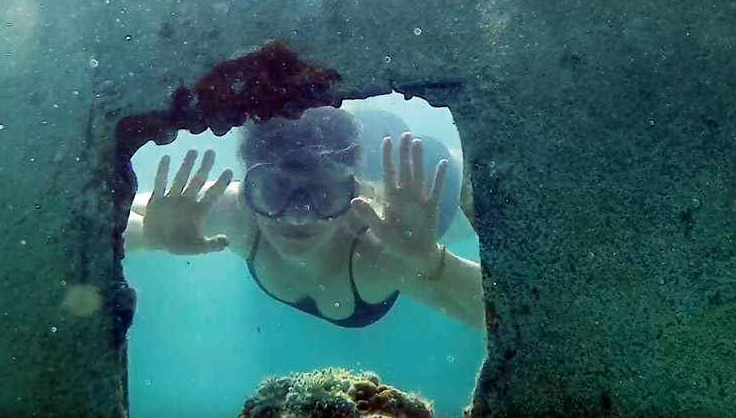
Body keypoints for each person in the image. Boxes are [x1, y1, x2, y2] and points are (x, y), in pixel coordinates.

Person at [123, 107, 484, 330]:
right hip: (351, 165)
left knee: (468, 200)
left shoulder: (381, 247)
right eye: (274, 191)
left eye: (322, 194)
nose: (297, 218)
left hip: (429, 205)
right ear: (248, 189)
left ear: (352, 193)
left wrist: (431, 259)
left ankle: (445, 157)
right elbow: (114, 223)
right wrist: (150, 236)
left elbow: (498, 319)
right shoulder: (239, 211)